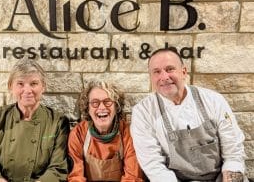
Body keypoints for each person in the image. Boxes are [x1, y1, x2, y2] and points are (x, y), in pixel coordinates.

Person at [130, 48, 248, 182]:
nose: (164, 77)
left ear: (183, 72)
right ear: (151, 77)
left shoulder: (214, 100)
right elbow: (154, 166)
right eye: (157, 72)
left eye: (170, 69)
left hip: (221, 177)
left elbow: (233, 152)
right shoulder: (143, 111)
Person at [0, 59, 69, 182]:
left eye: (34, 83)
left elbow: (58, 168)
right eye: (20, 84)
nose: (27, 90)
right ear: (10, 86)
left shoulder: (58, 122)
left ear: (43, 86)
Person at [67, 81, 144, 181]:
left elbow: (132, 177)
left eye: (108, 101)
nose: (102, 107)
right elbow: (75, 177)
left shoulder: (129, 133)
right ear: (87, 108)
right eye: (95, 103)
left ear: (116, 107)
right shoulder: (78, 134)